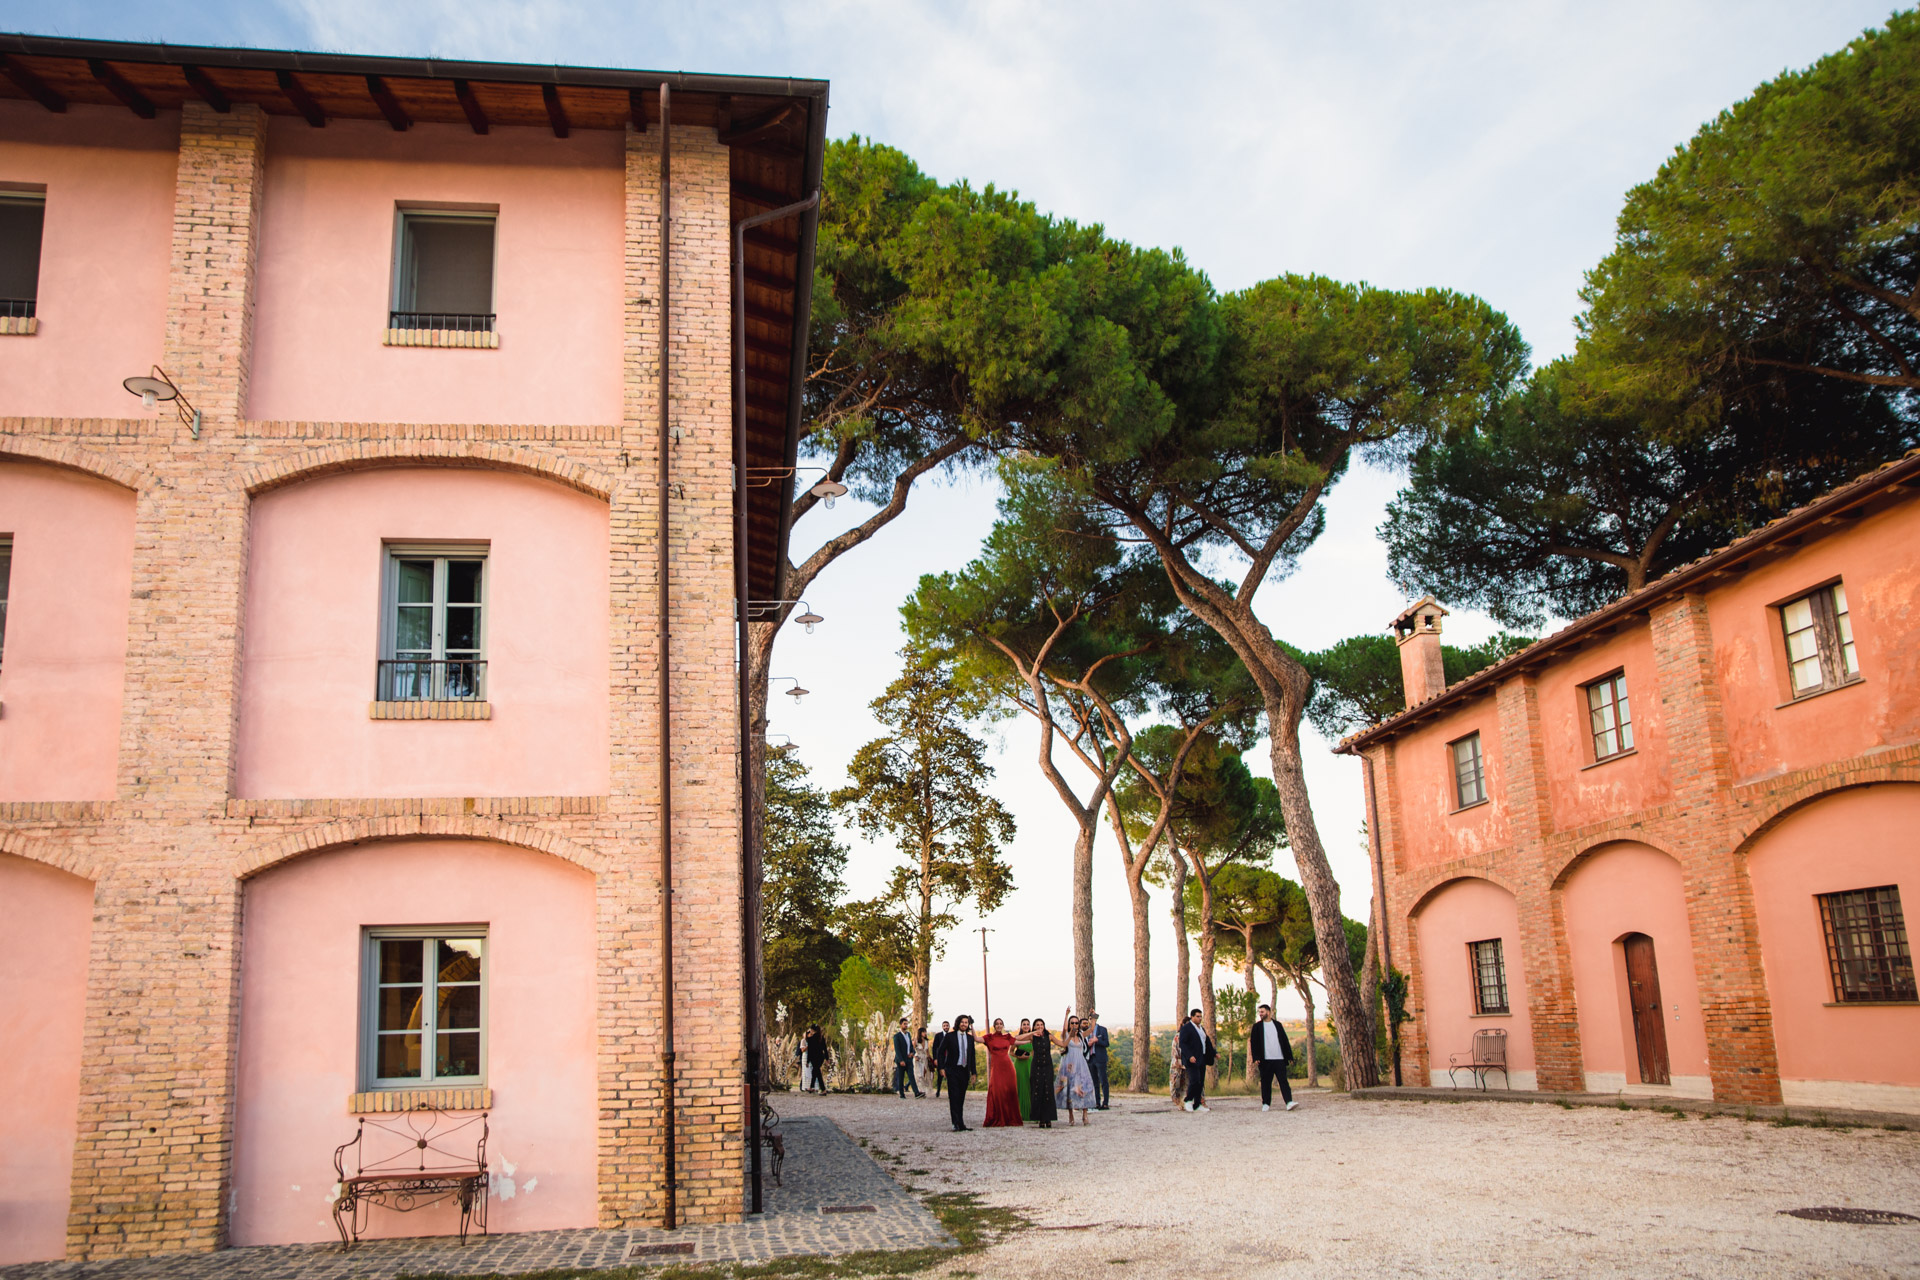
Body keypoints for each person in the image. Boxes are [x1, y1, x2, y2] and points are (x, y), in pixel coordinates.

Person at [1250, 1004, 1298, 1112]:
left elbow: (1285, 1041)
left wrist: (1289, 1056)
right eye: (1259, 1012)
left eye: (1262, 1012)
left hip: (1279, 1059)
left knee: (1283, 1081)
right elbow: (1254, 1043)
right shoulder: (1257, 1027)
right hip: (1265, 1060)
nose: (1260, 1014)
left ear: (1268, 1012)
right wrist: (1256, 1057)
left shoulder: (1278, 1025)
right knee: (1266, 1082)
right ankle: (1266, 1104)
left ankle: (1289, 1102)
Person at [1053, 1013, 1097, 1125]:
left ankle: (1085, 1115)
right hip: (1069, 1064)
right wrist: (1066, 1015)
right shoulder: (1066, 1035)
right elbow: (1063, 1030)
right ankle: (1071, 1115)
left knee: (1085, 1087)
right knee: (1069, 1089)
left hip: (1081, 1064)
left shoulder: (1081, 1035)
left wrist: (1093, 1016)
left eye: (1076, 1023)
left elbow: (1092, 1028)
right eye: (1072, 1023)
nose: (1074, 1024)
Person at [980, 1018, 1024, 1127]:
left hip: (1008, 1067)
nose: (999, 1026)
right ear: (994, 1026)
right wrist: (971, 1026)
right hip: (996, 1067)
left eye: (1001, 1024)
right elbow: (976, 1038)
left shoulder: (1007, 1037)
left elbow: (1018, 1040)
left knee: (1010, 1091)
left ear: (1003, 1025)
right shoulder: (989, 1038)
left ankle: (1010, 1118)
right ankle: (997, 1117)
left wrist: (1032, 1038)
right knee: (996, 1090)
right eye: (997, 1024)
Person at [938, 1015, 977, 1131]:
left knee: (961, 1098)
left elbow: (972, 1056)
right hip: (953, 1070)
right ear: (958, 1023)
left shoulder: (970, 1038)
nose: (964, 1024)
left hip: (965, 1071)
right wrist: (941, 1068)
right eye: (962, 1022)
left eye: (966, 1022)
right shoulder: (950, 1036)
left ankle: (961, 1123)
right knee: (954, 1097)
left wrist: (973, 1073)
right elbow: (940, 1051)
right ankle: (955, 1123)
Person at [1177, 1008, 1215, 1112]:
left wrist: (1214, 1053)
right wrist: (1189, 1056)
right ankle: (1188, 1100)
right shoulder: (1187, 1028)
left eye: (1200, 1016)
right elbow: (1183, 1044)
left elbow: (1207, 1042)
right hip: (1191, 1059)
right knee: (1194, 1080)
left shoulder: (1201, 1028)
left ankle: (1197, 1104)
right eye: (1197, 1016)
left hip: (1201, 1058)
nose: (1200, 1018)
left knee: (1200, 1082)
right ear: (1192, 1017)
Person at [1023, 1018, 1058, 1128]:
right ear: (1034, 1027)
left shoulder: (1049, 1036)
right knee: (1038, 1091)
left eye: (1041, 1024)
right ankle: (1040, 1118)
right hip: (1036, 1066)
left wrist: (1070, 1035)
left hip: (1047, 1065)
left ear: (1044, 1026)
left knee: (1048, 1091)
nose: (1039, 1026)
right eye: (1037, 1025)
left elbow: (1062, 1043)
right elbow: (1016, 1038)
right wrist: (1032, 1033)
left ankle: (1048, 1118)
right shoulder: (1032, 1036)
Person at [892, 1018, 924, 1099]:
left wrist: (912, 1053)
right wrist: (901, 1060)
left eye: (907, 1024)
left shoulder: (908, 1034)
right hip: (901, 1060)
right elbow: (897, 1049)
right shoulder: (897, 1036)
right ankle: (901, 1094)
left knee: (911, 1076)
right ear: (901, 1025)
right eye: (904, 1024)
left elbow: (910, 1046)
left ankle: (916, 1093)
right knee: (901, 1077)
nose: (906, 1025)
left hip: (909, 1059)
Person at [1086, 1010, 1111, 1110]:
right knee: (1094, 1082)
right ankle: (1096, 1102)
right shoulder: (1086, 1032)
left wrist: (1098, 1040)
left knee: (1103, 1080)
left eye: (1093, 1018)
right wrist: (1088, 1044)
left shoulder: (1102, 1030)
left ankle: (1105, 1103)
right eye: (1090, 1018)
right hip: (1091, 1058)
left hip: (1100, 1058)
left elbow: (1107, 1043)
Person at [1013, 1018, 1034, 1121]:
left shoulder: (1033, 1037)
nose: (1026, 1026)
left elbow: (1034, 1052)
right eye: (1024, 1024)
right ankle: (1020, 1113)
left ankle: (1031, 1113)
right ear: (1021, 1026)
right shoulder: (1018, 1038)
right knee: (1021, 1087)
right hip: (1020, 1065)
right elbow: (1010, 1052)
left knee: (1031, 1087)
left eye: (1027, 1024)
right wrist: (1019, 1057)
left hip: (1030, 1064)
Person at [801, 1024, 830, 1094]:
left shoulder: (811, 1039)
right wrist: (827, 1058)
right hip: (821, 1057)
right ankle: (811, 1087)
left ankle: (823, 1089)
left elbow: (810, 1051)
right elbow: (825, 1049)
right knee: (814, 1071)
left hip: (814, 1058)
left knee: (817, 1072)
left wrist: (808, 1061)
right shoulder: (821, 1038)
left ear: (812, 1030)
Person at [930, 1021, 952, 1097]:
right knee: (940, 1076)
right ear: (942, 1027)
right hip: (941, 1059)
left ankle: (950, 1092)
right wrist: (935, 1058)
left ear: (949, 1026)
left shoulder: (951, 1035)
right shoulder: (938, 1035)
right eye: (944, 1026)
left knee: (950, 1077)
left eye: (947, 1025)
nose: (946, 1027)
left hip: (949, 1059)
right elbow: (934, 1048)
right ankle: (938, 1090)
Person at [913, 1026, 933, 1095]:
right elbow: (912, 1050)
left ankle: (924, 1089)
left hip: (925, 1059)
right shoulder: (916, 1041)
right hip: (918, 1058)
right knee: (919, 1074)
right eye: (923, 1032)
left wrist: (930, 1059)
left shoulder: (926, 1041)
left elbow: (927, 1051)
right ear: (920, 1033)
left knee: (926, 1074)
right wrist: (914, 1056)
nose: (925, 1033)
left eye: (925, 1032)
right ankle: (920, 1090)